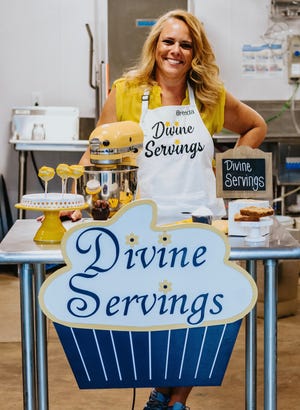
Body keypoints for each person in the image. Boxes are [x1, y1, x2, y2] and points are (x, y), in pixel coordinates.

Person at [77, 9, 267, 410]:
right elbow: (95, 153)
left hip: (201, 226)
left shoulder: (211, 96)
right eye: (168, 42)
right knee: (159, 318)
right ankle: (165, 392)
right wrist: (73, 199)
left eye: (185, 44)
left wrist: (230, 164)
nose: (175, 51)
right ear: (155, 46)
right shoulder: (127, 92)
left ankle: (173, 400)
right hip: (144, 227)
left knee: (200, 316)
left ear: (195, 52)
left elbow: (256, 125)